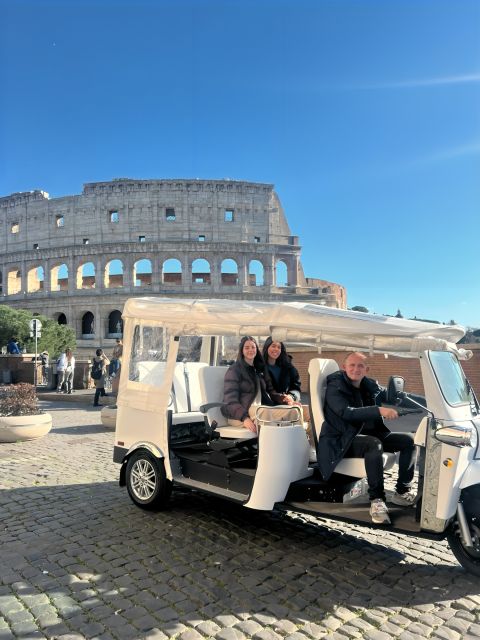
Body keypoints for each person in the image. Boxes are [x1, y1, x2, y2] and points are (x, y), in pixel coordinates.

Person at [318, 351, 418, 525]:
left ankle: (401, 491)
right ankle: (377, 500)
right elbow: (346, 413)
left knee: (408, 441)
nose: (356, 369)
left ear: (367, 369)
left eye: (360, 366)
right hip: (342, 439)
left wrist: (427, 402)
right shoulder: (335, 386)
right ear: (344, 367)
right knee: (374, 444)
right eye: (352, 365)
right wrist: (379, 410)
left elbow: (395, 397)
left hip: (367, 435)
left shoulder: (369, 385)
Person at [221, 336, 288, 433]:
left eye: (253, 347)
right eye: (247, 347)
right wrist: (245, 418)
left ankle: (306, 445)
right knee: (265, 412)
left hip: (260, 410)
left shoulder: (259, 369)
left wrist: (283, 399)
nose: (250, 350)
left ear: (256, 349)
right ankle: (270, 447)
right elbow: (230, 401)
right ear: (242, 350)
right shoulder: (234, 370)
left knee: (295, 411)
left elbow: (271, 392)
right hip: (239, 415)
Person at [262, 337, 302, 404]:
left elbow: (296, 386)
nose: (276, 349)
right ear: (267, 347)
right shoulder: (260, 368)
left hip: (286, 404)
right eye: (273, 346)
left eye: (279, 347)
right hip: (267, 405)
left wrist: (291, 397)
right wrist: (279, 397)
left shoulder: (288, 367)